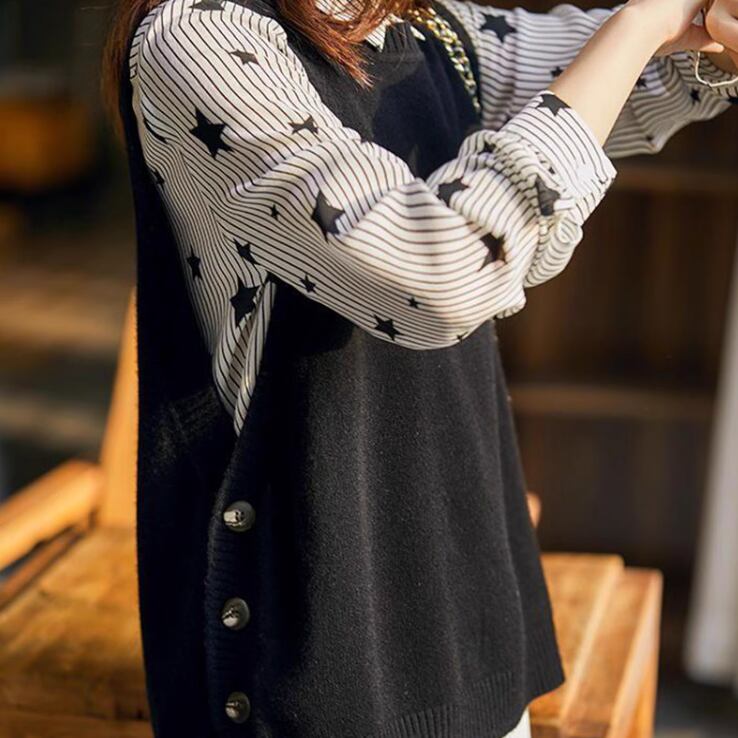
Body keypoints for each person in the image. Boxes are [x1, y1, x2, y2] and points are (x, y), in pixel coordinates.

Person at [100, 0, 738, 735]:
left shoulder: (425, 28)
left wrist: (696, 31)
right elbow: (440, 268)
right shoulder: (199, 38)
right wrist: (643, 25)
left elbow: (617, 73)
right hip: (309, 664)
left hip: (463, 629)